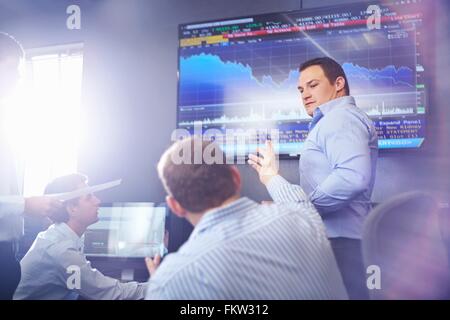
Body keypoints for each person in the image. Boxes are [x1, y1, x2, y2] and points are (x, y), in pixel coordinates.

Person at [145, 137, 347, 300]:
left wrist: (162, 286)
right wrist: (269, 175)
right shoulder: (304, 218)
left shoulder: (170, 281)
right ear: (236, 177)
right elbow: (298, 201)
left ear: (175, 206)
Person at [248, 57, 378, 299]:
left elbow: (352, 178)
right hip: (340, 244)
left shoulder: (340, 118)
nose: (305, 94)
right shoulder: (334, 121)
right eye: (300, 89)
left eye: (313, 85)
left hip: (340, 246)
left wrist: (301, 207)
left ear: (338, 83)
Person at [13, 174, 148, 300]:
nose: (98, 201)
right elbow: (110, 293)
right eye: (89, 197)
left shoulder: (61, 235)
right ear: (72, 208)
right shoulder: (61, 250)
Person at [0, 31, 62, 300]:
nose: (19, 78)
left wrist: (32, 210)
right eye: (12, 69)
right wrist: (26, 205)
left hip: (8, 252)